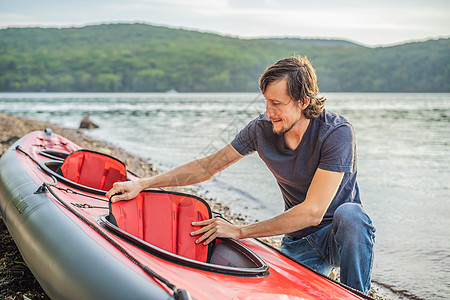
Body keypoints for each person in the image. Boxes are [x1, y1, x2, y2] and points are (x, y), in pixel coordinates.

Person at [106, 56, 375, 294]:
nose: (269, 112)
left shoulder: (336, 132)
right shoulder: (260, 129)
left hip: (340, 239)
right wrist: (143, 183)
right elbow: (207, 166)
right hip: (299, 241)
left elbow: (313, 212)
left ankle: (357, 293)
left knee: (351, 215)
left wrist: (240, 231)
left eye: (277, 103)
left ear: (303, 101)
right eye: (266, 102)